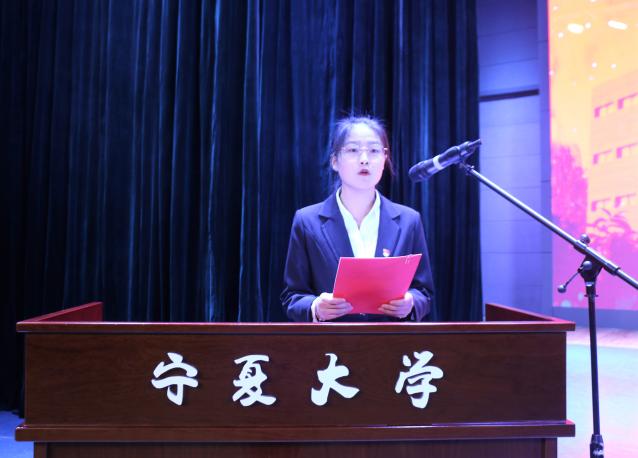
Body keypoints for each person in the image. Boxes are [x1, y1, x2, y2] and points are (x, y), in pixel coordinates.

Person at [281, 116, 434, 322]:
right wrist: (315, 307)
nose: (364, 159)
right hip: (332, 340)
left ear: (384, 159)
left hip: (390, 338)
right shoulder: (307, 221)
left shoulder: (409, 220)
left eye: (374, 150)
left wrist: (411, 303)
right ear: (335, 161)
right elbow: (292, 296)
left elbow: (424, 292)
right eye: (353, 150)